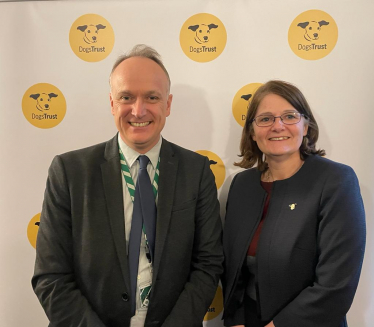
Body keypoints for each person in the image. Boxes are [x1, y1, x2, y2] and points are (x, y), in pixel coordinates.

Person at [32, 44, 223, 327]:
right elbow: (51, 276)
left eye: (152, 97)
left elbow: (208, 265)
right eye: (126, 97)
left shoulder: (197, 171)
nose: (138, 109)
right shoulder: (69, 172)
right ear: (112, 103)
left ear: (167, 105)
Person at [222, 80, 366, 327]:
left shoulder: (336, 182)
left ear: (306, 126)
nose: (278, 126)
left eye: (289, 116)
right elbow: (234, 270)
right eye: (265, 119)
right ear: (252, 132)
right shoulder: (241, 186)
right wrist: (235, 319)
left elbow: (337, 284)